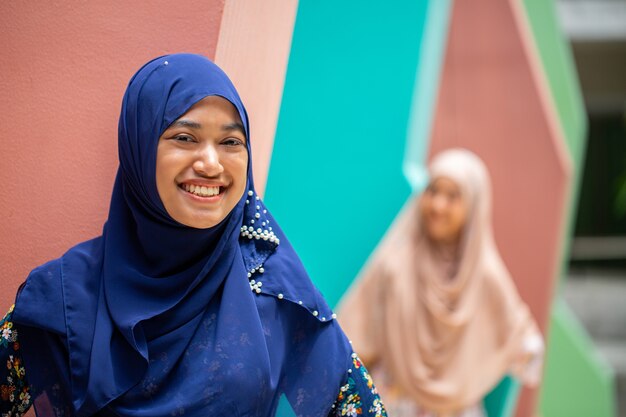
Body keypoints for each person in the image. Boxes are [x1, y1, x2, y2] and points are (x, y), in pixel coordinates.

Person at [0, 53, 387, 417]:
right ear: (139, 148)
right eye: (185, 138)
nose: (211, 163)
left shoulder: (274, 290)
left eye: (231, 142)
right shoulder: (63, 296)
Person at [337, 149, 544, 417]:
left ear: (473, 206)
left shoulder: (484, 277)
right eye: (432, 191)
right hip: (391, 406)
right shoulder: (396, 264)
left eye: (452, 196)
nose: (438, 206)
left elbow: (528, 352)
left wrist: (485, 359)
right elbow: (353, 334)